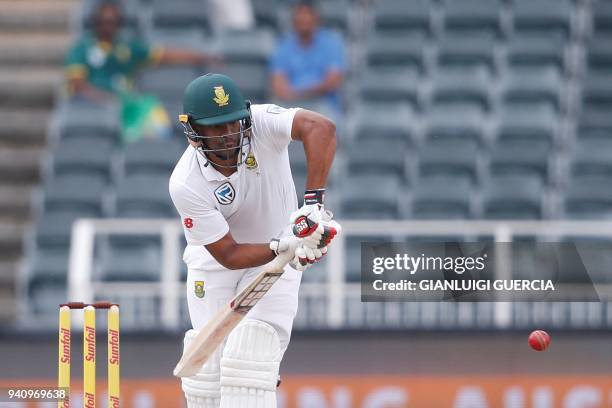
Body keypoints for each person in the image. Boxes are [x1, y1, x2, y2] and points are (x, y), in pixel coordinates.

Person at [169, 73, 339, 408]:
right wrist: (283, 245)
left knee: (250, 358)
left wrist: (312, 206)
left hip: (280, 263)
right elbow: (228, 254)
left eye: (233, 123)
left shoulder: (262, 123)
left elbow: (322, 128)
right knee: (208, 377)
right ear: (193, 133)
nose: (229, 134)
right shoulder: (185, 182)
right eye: (216, 128)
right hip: (217, 265)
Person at [64, 1, 220, 142]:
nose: (108, 26)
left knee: (152, 111)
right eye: (104, 22)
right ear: (96, 23)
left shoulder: (127, 46)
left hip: (128, 105)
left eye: (112, 22)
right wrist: (108, 100)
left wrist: (202, 57)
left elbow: (164, 55)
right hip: (94, 106)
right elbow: (77, 85)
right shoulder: (81, 48)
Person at [269, 1, 346, 114]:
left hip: (323, 104)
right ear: (294, 19)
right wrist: (311, 90)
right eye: (300, 14)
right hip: (291, 107)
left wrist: (296, 93)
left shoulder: (332, 43)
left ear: (317, 18)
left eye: (308, 14)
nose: (304, 19)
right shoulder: (283, 46)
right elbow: (278, 87)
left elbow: (332, 82)